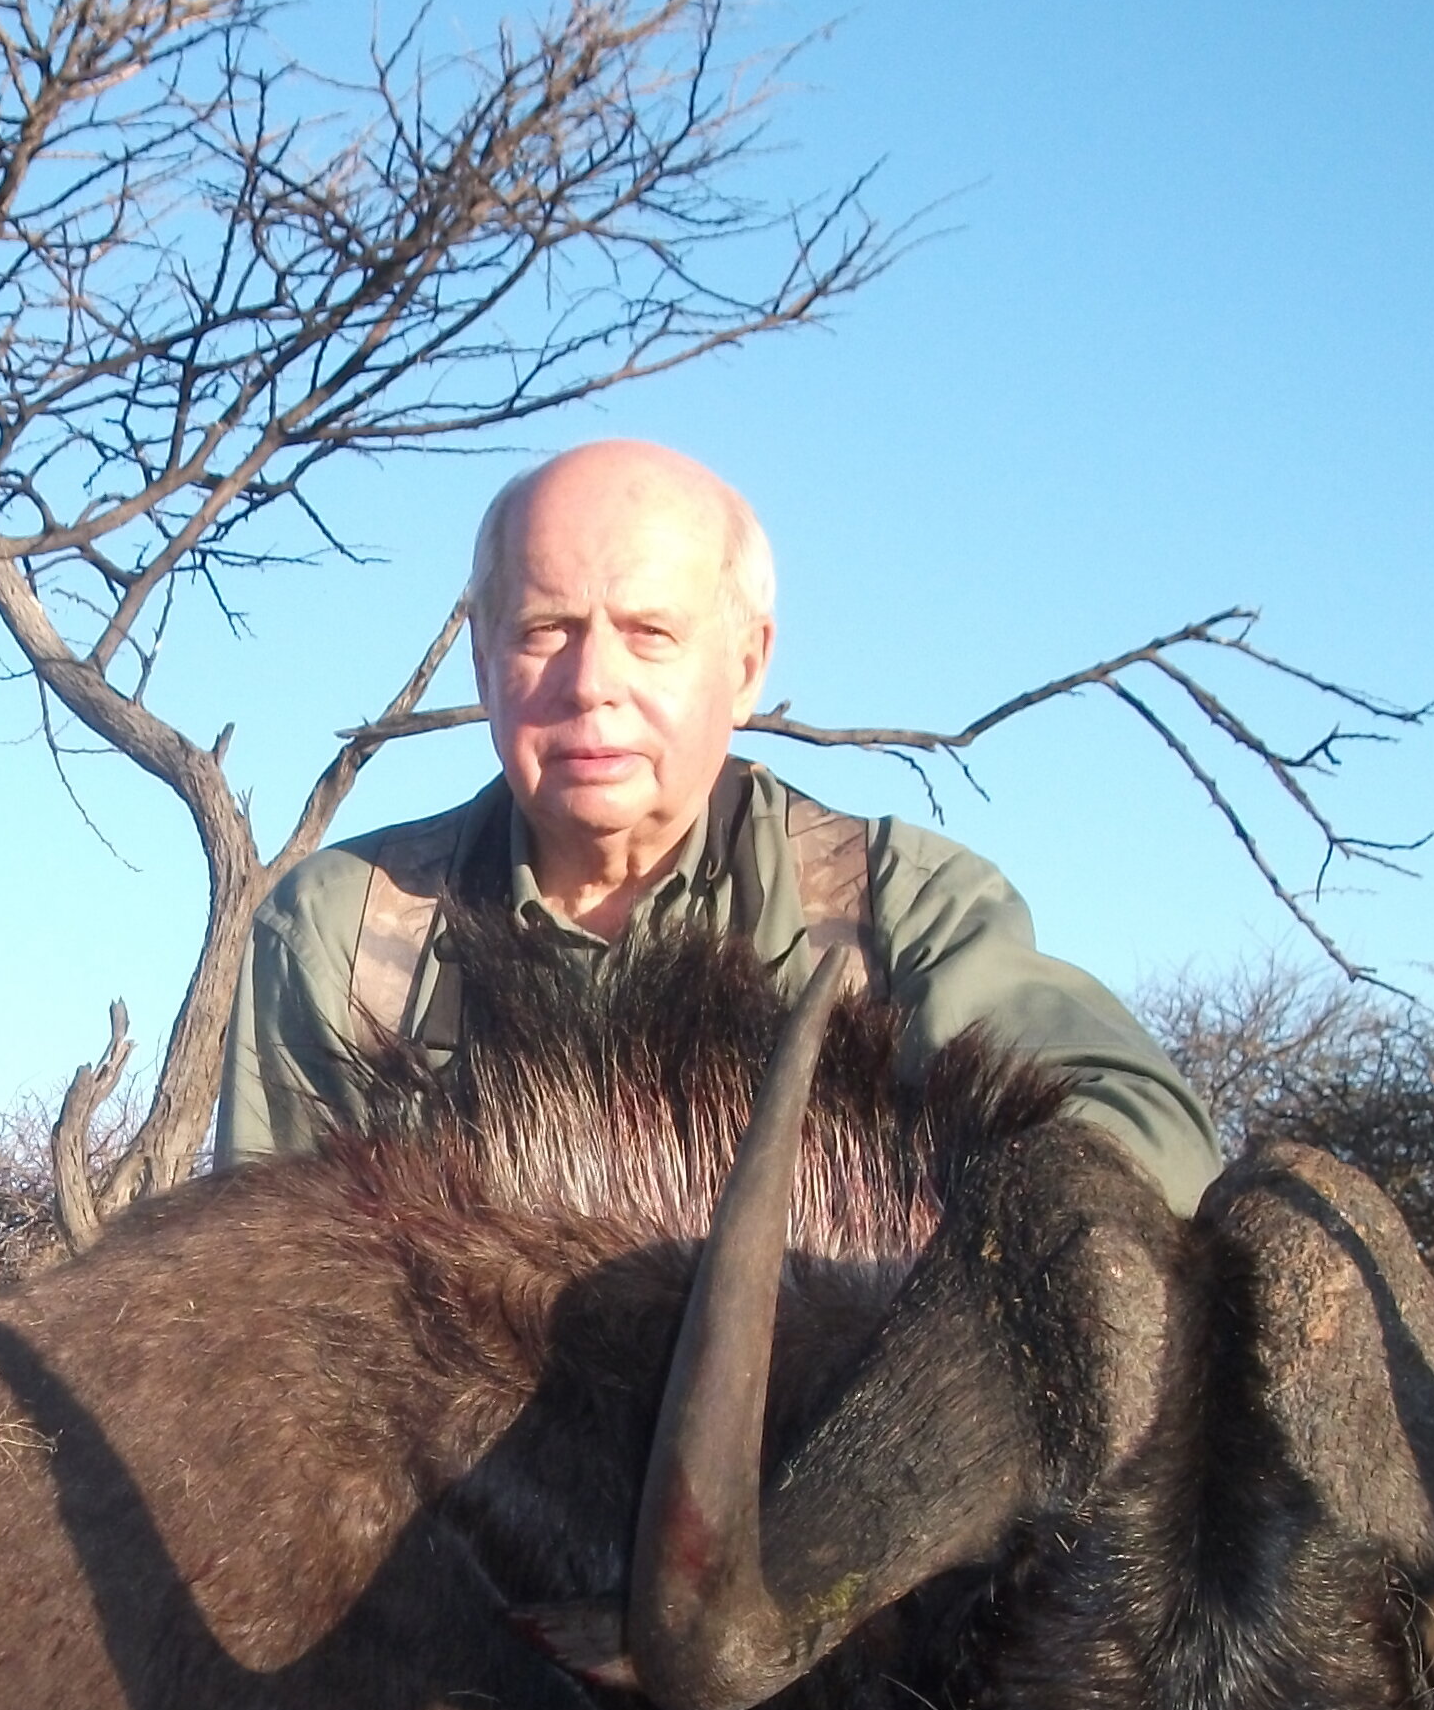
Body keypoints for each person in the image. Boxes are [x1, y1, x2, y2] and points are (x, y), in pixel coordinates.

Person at [214, 441, 1224, 1212]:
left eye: (650, 635)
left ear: (746, 667)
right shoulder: (339, 933)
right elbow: (266, 1294)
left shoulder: (904, 911)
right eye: (541, 632)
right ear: (481, 663)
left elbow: (1144, 1142)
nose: (591, 685)